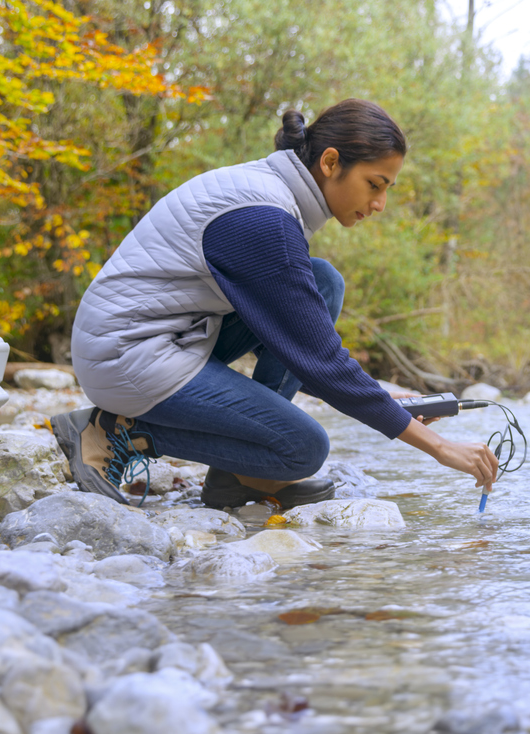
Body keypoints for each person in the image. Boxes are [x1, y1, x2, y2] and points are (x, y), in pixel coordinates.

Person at [51, 99, 497, 510]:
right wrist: (438, 447)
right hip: (127, 354)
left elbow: (302, 346)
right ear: (330, 162)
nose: (379, 204)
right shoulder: (264, 220)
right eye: (374, 185)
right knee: (302, 448)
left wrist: (383, 396)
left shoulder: (272, 195)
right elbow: (321, 361)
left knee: (323, 282)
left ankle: (237, 475)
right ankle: (118, 432)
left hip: (171, 336)